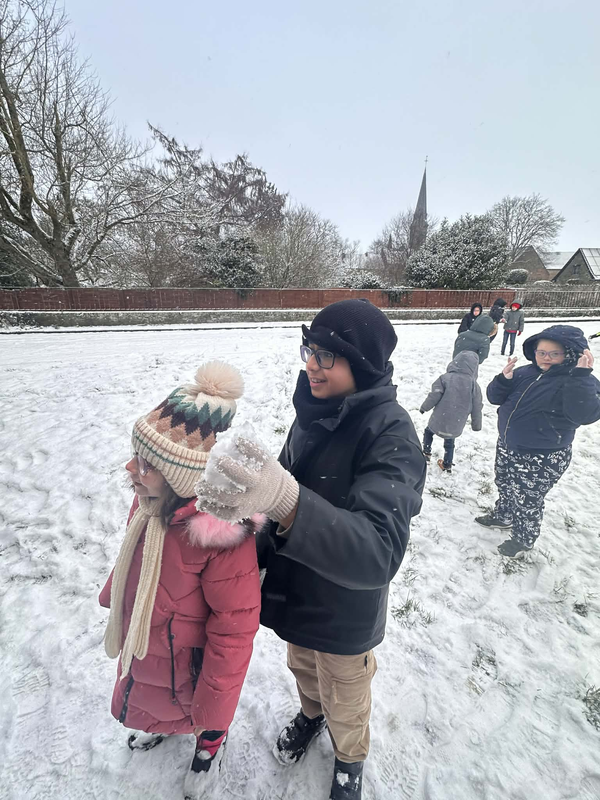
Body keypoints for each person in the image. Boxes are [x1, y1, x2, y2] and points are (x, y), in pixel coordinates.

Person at [195, 299, 426, 800]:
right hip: (296, 592)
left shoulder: (392, 432)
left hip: (345, 611)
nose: (311, 366)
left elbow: (379, 551)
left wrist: (285, 498)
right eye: (309, 351)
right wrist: (246, 525)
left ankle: (349, 758)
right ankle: (310, 715)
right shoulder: (314, 411)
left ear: (362, 363)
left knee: (346, 694)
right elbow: (279, 493)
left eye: (327, 356)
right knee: (303, 670)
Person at [99, 362, 261, 800]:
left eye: (145, 464)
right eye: (135, 455)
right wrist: (117, 593)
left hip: (191, 659)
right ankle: (163, 724)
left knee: (196, 705)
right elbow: (137, 558)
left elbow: (235, 628)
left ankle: (210, 743)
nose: (130, 468)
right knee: (157, 692)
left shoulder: (220, 537)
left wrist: (216, 705)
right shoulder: (149, 504)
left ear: (180, 478)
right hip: (152, 635)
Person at [475, 325, 600, 557]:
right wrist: (503, 379)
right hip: (508, 445)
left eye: (554, 353)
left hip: (543, 455)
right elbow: (494, 397)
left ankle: (523, 540)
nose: (546, 358)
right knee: (505, 484)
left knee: (527, 500)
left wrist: (581, 378)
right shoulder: (525, 372)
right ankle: (504, 516)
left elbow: (584, 415)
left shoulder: (579, 380)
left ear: (571, 354)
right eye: (541, 352)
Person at [420, 350, 483, 474]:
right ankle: (447, 464)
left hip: (439, 418)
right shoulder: (474, 386)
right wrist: (476, 425)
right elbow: (477, 407)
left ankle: (426, 452)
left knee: (429, 431)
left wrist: (424, 408)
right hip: (456, 422)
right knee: (450, 441)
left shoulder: (445, 378)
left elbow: (434, 395)